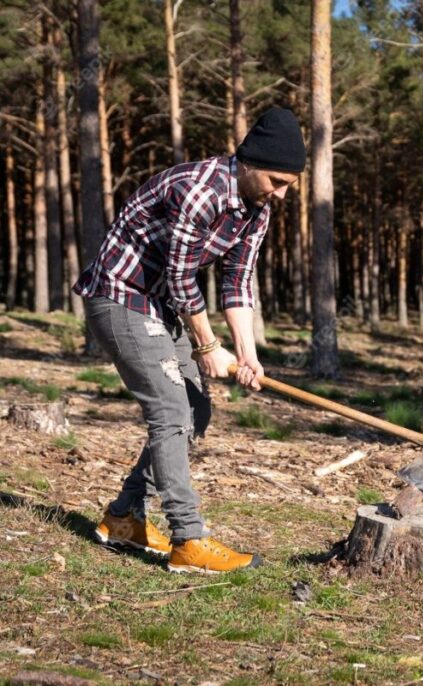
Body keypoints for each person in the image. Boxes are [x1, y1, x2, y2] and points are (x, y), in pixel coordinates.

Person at [73, 107, 305, 574]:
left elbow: (238, 281)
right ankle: (188, 539)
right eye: (276, 182)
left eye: (288, 186)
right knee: (171, 412)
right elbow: (182, 279)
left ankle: (124, 517)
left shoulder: (255, 209)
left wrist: (247, 355)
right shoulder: (200, 191)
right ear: (249, 163)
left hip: (162, 304)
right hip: (120, 297)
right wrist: (206, 346)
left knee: (196, 410)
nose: (280, 195)